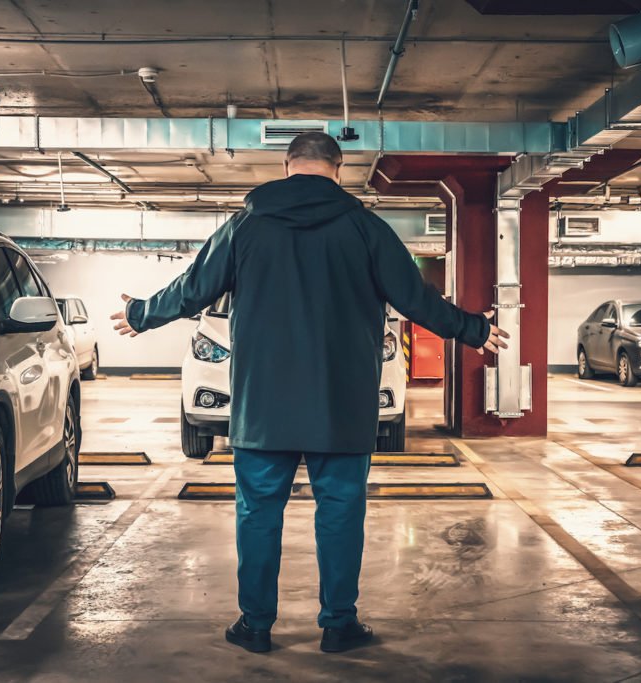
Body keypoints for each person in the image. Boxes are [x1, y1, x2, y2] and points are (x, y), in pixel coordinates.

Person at [111, 132, 508, 654]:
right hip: (341, 404)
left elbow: (194, 287)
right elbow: (415, 299)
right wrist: (475, 330)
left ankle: (255, 626)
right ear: (338, 171)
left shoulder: (244, 225)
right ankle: (338, 625)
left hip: (262, 405)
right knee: (341, 512)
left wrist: (142, 313)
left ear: (286, 167)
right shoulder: (366, 228)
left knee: (258, 514)